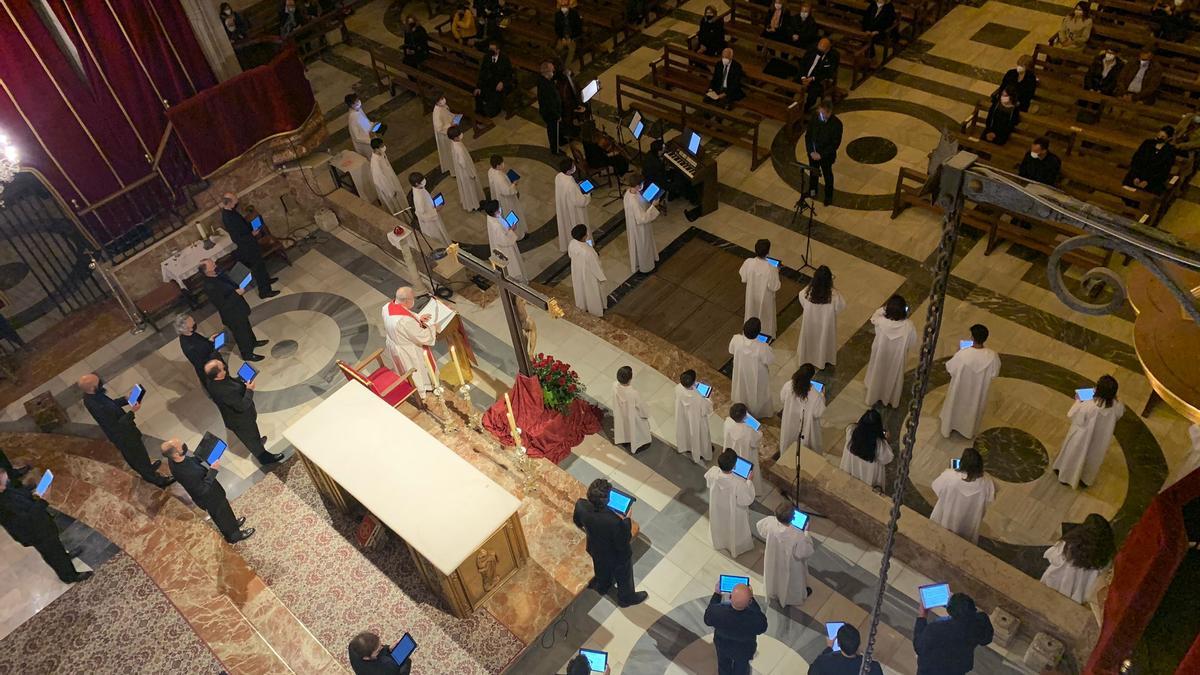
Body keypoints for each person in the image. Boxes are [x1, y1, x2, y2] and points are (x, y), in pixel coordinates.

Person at [0, 471, 93, 583]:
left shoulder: (5, 489)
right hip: (35, 533)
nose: (4, 473)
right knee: (52, 553)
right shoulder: (4, 505)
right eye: (1, 473)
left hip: (41, 526)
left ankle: (65, 557)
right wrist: (43, 500)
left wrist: (35, 489)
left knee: (56, 546)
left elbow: (20, 496)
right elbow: (28, 519)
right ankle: (69, 576)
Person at [160, 438, 255, 544]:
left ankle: (233, 524)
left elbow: (191, 461)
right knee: (221, 515)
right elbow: (202, 490)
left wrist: (205, 454)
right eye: (180, 444)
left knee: (225, 511)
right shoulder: (185, 473)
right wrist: (213, 470)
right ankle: (234, 536)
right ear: (176, 453)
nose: (183, 442)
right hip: (209, 498)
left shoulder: (174, 459)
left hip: (213, 493)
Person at [572, 478, 648, 607]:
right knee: (624, 576)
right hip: (616, 557)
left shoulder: (581, 505)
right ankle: (626, 598)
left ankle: (602, 586)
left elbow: (578, 522)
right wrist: (627, 520)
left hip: (595, 548)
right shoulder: (615, 522)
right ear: (608, 500)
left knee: (600, 568)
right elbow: (622, 543)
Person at [204, 360, 285, 466]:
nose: (225, 367)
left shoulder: (214, 380)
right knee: (251, 439)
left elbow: (231, 382)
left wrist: (241, 379)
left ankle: (257, 443)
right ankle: (264, 458)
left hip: (243, 417)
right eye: (223, 367)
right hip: (240, 421)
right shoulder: (223, 391)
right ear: (218, 374)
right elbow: (241, 406)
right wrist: (250, 390)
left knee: (253, 434)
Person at [1053, 374, 1123, 489]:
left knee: (1074, 455)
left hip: (1082, 436)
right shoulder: (1117, 405)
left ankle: (1067, 476)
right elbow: (1118, 414)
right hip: (1101, 439)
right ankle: (1086, 479)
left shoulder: (1089, 405)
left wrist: (1078, 401)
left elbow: (1074, 416)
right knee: (1093, 458)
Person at [939, 323, 1001, 439]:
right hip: (978, 392)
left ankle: (949, 427)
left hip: (960, 389)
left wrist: (959, 352)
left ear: (972, 338)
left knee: (954, 406)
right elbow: (994, 374)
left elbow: (950, 369)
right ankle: (967, 431)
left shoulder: (963, 354)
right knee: (973, 409)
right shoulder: (992, 356)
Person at [912, 592, 994, 675]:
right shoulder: (978, 623)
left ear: (950, 611)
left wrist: (922, 615)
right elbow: (986, 639)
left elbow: (918, 646)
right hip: (958, 668)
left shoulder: (935, 629)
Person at [200, 258, 265, 362]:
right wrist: (236, 293)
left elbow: (230, 283)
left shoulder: (218, 274)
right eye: (211, 264)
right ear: (206, 271)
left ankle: (253, 342)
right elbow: (222, 304)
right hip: (232, 314)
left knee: (246, 327)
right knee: (241, 334)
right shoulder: (209, 286)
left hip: (238, 307)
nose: (214, 264)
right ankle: (247, 353)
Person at [1041, 513, 1115, 603]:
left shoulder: (1071, 543)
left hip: (1057, 583)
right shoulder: (1105, 555)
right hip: (1081, 590)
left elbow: (1053, 557)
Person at [219, 192, 278, 299]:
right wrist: (251, 234)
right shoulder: (228, 217)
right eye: (235, 198)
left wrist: (252, 228)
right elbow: (237, 237)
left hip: (250, 242)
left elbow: (242, 225)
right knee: (257, 267)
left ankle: (266, 280)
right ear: (230, 203)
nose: (237, 199)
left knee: (260, 264)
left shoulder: (231, 211)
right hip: (247, 246)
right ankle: (264, 291)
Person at [930, 447, 995, 543]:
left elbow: (935, 486)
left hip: (947, 517)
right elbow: (991, 497)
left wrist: (950, 470)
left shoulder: (949, 476)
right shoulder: (986, 482)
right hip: (969, 521)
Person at [756, 503, 814, 608]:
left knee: (774, 574)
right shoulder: (797, 534)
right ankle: (791, 598)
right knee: (791, 580)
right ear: (793, 518)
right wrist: (806, 532)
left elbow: (761, 529)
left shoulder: (770, 522)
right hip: (791, 564)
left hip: (773, 556)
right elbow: (803, 552)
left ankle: (774, 591)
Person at [864, 294, 917, 407]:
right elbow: (912, 342)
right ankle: (890, 399)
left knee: (877, 373)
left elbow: (874, 317)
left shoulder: (881, 321)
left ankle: (873, 394)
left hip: (881, 355)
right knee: (892, 377)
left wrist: (884, 309)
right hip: (896, 358)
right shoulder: (909, 326)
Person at [382, 286, 439, 394]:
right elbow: (421, 336)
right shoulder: (405, 321)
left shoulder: (387, 307)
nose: (414, 300)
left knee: (404, 368)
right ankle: (424, 390)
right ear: (407, 300)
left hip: (395, 344)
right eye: (412, 298)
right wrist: (434, 328)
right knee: (418, 371)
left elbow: (403, 314)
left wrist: (418, 318)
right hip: (408, 350)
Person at [703, 582, 768, 675]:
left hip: (722, 645)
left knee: (723, 664)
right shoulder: (754, 619)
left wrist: (717, 594)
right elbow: (763, 627)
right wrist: (752, 598)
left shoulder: (717, 612)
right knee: (742, 667)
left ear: (730, 597)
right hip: (744, 650)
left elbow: (707, 620)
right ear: (749, 602)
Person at [706, 448, 756, 557]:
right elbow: (746, 499)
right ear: (734, 466)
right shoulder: (737, 483)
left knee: (720, 523)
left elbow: (708, 482)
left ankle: (720, 542)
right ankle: (736, 545)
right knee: (734, 528)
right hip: (733, 510)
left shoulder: (713, 471)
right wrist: (749, 481)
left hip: (718, 506)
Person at [796, 265, 845, 368]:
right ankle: (823, 359)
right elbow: (841, 307)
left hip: (810, 324)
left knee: (809, 340)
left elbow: (802, 302)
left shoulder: (806, 293)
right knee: (823, 341)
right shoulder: (834, 295)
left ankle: (807, 358)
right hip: (825, 326)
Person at [728, 318, 775, 420]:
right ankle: (757, 411)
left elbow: (731, 350)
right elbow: (770, 360)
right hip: (757, 374)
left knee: (742, 388)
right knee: (757, 392)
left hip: (741, 370)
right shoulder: (762, 347)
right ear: (758, 332)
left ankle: (742, 407)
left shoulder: (736, 339)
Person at [778, 363, 825, 457]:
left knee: (789, 441)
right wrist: (822, 395)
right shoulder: (815, 394)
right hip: (806, 425)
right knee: (808, 450)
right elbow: (818, 413)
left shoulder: (788, 385)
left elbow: (782, 398)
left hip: (790, 420)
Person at [840, 408, 893, 489]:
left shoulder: (851, 431)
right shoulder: (879, 445)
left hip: (850, 471)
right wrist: (886, 441)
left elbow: (856, 426)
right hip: (867, 479)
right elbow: (888, 458)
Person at [739, 239, 781, 339]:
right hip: (765, 299)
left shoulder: (748, 262)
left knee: (751, 312)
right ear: (768, 252)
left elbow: (743, 278)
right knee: (765, 318)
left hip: (752, 295)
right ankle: (765, 336)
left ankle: (749, 332)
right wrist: (777, 272)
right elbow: (775, 286)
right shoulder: (771, 268)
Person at [805, 99, 843, 206]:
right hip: (813, 154)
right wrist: (811, 151)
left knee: (827, 175)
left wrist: (821, 155)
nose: (820, 115)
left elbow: (835, 144)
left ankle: (828, 196)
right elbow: (808, 136)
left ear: (829, 112)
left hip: (826, 156)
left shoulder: (836, 124)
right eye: (819, 112)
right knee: (813, 172)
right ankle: (813, 190)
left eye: (822, 113)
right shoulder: (815, 117)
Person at [623, 173, 661, 273]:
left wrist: (647, 197)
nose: (642, 186)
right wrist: (653, 206)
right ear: (637, 186)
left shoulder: (629, 193)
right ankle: (647, 267)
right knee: (644, 246)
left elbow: (640, 202)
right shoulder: (633, 201)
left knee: (641, 246)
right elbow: (642, 219)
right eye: (642, 184)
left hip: (633, 226)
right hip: (640, 229)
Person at [675, 369, 714, 465]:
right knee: (699, 436)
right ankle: (702, 452)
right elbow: (707, 410)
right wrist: (708, 399)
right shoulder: (698, 396)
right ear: (693, 382)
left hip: (683, 417)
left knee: (686, 432)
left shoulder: (678, 388)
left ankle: (687, 447)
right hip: (697, 421)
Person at [724, 403, 765, 493]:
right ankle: (751, 490)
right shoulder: (748, 430)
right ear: (744, 416)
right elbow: (755, 441)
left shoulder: (728, 422)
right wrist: (759, 432)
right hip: (746, 454)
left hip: (731, 452)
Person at [810, 624, 883, 675]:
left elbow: (811, 672)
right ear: (859, 643)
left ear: (838, 643)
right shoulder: (873, 667)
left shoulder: (823, 662)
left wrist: (829, 648)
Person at [568, 224, 607, 316]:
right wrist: (601, 277)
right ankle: (595, 310)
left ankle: (583, 306)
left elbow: (570, 255)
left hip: (577, 271)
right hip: (589, 275)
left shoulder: (572, 243)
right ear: (584, 236)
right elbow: (595, 266)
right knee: (591, 292)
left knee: (581, 289)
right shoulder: (588, 252)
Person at [1124, 126, 1176, 194]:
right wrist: (1135, 176)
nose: (1159, 137)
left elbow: (1164, 170)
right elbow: (1136, 160)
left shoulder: (1170, 151)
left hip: (1154, 179)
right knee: (1128, 185)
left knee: (1151, 191)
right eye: (1159, 135)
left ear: (1169, 138)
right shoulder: (1147, 143)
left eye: (1163, 137)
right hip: (1137, 174)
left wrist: (1147, 181)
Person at [175, 314, 223, 388]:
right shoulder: (190, 347)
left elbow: (201, 343)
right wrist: (215, 349)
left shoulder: (189, 334)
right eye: (193, 323)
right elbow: (202, 363)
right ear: (188, 329)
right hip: (211, 370)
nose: (195, 322)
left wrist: (209, 340)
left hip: (212, 358)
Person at [612, 366, 651, 453]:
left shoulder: (614, 385)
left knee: (624, 427)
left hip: (621, 413)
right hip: (633, 417)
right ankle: (639, 443)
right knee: (637, 430)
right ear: (630, 379)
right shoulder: (633, 393)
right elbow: (640, 406)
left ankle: (625, 439)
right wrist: (645, 414)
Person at [555, 159, 591, 251]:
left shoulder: (558, 176)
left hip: (564, 207)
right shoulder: (570, 185)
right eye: (572, 166)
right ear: (568, 170)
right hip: (574, 211)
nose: (574, 166)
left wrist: (577, 186)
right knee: (581, 228)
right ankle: (588, 248)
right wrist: (587, 194)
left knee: (567, 226)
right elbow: (580, 201)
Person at [487, 155, 526, 238]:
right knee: (512, 215)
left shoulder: (491, 171)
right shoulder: (499, 177)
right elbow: (507, 191)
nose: (503, 164)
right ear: (498, 165)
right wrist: (514, 184)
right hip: (506, 201)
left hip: (498, 198)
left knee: (506, 215)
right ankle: (518, 235)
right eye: (502, 163)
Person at [407, 172, 450, 246]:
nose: (424, 180)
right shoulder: (418, 197)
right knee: (438, 237)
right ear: (417, 183)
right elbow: (422, 215)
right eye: (422, 180)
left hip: (431, 212)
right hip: (430, 222)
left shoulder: (419, 188)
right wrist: (436, 210)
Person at [447, 126, 484, 210]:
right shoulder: (458, 148)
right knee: (470, 188)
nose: (461, 135)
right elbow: (463, 163)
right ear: (455, 137)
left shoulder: (454, 143)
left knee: (467, 188)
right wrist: (471, 173)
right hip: (465, 172)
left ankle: (470, 203)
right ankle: (474, 204)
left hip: (461, 171)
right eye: (459, 134)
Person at [475, 40, 513, 117]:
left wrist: (502, 82)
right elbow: (483, 72)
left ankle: (491, 111)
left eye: (493, 50)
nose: (490, 52)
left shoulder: (504, 59)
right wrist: (479, 86)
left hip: (500, 82)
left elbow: (509, 74)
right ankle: (481, 113)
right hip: (489, 82)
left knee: (495, 94)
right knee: (478, 93)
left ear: (498, 50)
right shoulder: (487, 58)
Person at [348, 631, 412, 674]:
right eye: (378, 651)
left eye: (380, 645)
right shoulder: (386, 668)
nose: (382, 648)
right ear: (366, 658)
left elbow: (378, 650)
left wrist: (388, 648)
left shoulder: (352, 646)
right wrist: (406, 660)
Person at [798, 38, 839, 105]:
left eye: (822, 51)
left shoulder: (833, 55)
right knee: (790, 87)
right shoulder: (812, 48)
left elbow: (829, 72)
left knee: (812, 97)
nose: (820, 52)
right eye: (819, 50)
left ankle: (806, 109)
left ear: (828, 49)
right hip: (804, 76)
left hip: (817, 80)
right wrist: (803, 77)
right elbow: (803, 62)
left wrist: (813, 78)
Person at [370, 139, 406, 214]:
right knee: (396, 206)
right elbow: (379, 180)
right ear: (376, 148)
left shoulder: (381, 153)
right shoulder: (375, 163)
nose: (384, 147)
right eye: (382, 146)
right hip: (388, 187)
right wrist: (390, 191)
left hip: (392, 179)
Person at [537, 61, 565, 154]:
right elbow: (550, 105)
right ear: (547, 72)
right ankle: (555, 150)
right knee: (553, 131)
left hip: (552, 111)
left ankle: (560, 140)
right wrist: (557, 115)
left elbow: (556, 75)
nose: (553, 72)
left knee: (557, 128)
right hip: (550, 113)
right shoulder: (545, 87)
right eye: (552, 71)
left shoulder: (546, 78)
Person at [431, 94, 457, 177]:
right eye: (440, 99)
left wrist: (454, 117)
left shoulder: (443, 106)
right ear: (436, 102)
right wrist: (450, 124)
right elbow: (439, 128)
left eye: (442, 97)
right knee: (450, 152)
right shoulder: (436, 113)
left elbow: (447, 114)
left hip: (450, 130)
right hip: (445, 135)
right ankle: (454, 171)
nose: (443, 100)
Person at [554, 0, 583, 69]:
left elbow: (578, 28)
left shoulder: (574, 14)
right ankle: (556, 66)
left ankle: (565, 67)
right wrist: (562, 38)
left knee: (571, 50)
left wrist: (571, 38)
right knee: (557, 50)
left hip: (572, 37)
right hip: (563, 37)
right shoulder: (558, 15)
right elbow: (557, 28)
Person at [345, 93, 374, 158]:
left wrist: (373, 125)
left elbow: (365, 121)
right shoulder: (353, 117)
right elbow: (357, 137)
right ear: (351, 105)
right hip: (366, 144)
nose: (358, 103)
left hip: (370, 136)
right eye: (356, 102)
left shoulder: (358, 109)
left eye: (358, 100)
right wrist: (370, 140)